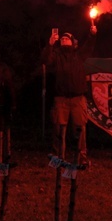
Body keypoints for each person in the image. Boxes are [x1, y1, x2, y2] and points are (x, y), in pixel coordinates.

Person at [41, 26, 97, 167]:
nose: (65, 40)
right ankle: (58, 158)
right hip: (61, 99)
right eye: (63, 38)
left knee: (80, 129)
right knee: (59, 129)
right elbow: (45, 60)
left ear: (73, 42)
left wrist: (92, 34)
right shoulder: (56, 55)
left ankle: (82, 159)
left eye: (68, 38)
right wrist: (50, 44)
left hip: (78, 99)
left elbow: (89, 46)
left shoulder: (79, 55)